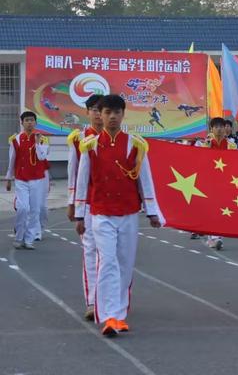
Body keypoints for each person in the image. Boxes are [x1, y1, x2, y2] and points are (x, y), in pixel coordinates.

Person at [75, 95, 164, 336]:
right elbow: (83, 182)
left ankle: (120, 314)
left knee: (125, 263)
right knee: (107, 262)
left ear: (123, 114)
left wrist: (153, 212)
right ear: (100, 116)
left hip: (128, 213)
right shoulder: (89, 146)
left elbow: (145, 180)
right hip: (101, 213)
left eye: (116, 112)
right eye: (107, 112)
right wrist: (80, 215)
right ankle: (109, 315)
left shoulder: (136, 144)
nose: (112, 117)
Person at [66, 94, 104, 321]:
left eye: (103, 109)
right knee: (90, 250)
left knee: (110, 254)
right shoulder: (78, 138)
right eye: (95, 110)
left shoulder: (120, 139)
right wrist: (72, 204)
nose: (99, 114)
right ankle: (92, 301)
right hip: (88, 203)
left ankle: (107, 298)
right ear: (87, 112)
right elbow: (72, 173)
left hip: (112, 205)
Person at [5, 111, 49, 250]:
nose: (29, 122)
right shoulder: (15, 139)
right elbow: (12, 160)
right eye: (27, 120)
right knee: (23, 208)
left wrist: (37, 143)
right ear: (22, 123)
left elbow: (42, 157)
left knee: (35, 210)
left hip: (37, 179)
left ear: (35, 122)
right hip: (21, 178)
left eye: (32, 120)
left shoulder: (43, 139)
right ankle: (19, 237)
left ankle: (29, 239)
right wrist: (8, 178)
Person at [205, 117, 236, 249]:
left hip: (225, 181)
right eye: (216, 126)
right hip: (209, 181)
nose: (218, 129)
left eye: (221, 126)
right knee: (211, 208)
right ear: (211, 129)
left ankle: (218, 236)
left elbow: (236, 164)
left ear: (225, 129)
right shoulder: (205, 144)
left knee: (222, 209)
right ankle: (212, 236)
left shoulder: (231, 145)